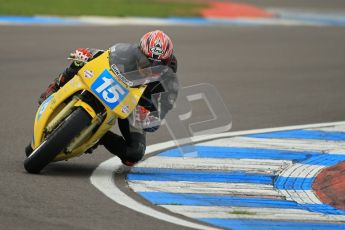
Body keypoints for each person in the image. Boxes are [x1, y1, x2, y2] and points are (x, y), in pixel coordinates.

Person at [36, 30, 178, 166]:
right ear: (138, 52)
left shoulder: (168, 83)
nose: (150, 68)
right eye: (146, 61)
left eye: (158, 65)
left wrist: (148, 116)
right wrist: (86, 54)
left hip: (132, 108)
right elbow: (104, 55)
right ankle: (54, 87)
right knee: (79, 61)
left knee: (134, 154)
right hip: (108, 84)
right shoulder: (127, 53)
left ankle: (98, 137)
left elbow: (159, 115)